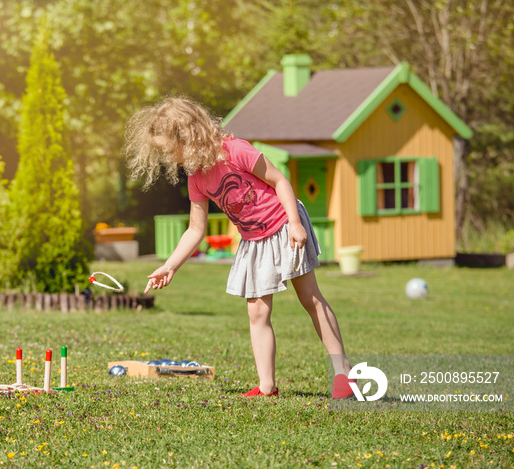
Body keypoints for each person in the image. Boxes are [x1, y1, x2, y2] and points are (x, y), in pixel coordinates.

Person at [124, 96, 354, 399]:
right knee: (257, 312)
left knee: (310, 298)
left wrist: (296, 223)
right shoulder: (196, 177)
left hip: (285, 225)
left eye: (169, 149)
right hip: (254, 240)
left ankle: (344, 373)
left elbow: (280, 181)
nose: (169, 158)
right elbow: (196, 229)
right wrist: (170, 265)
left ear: (187, 135)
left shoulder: (235, 150)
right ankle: (267, 386)